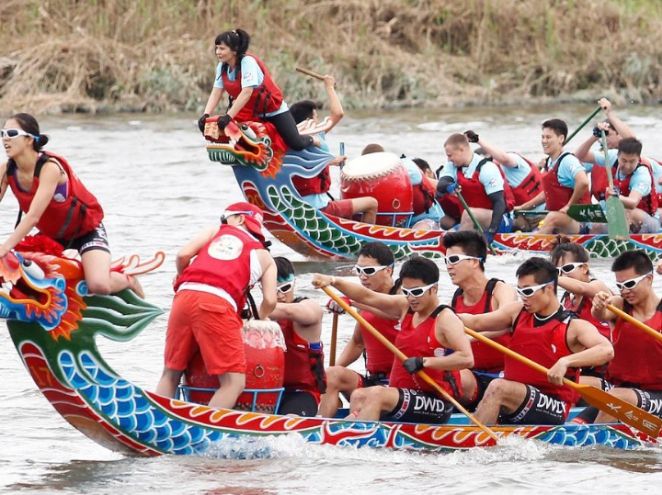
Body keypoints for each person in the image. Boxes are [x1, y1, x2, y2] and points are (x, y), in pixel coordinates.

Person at [312, 257, 474, 424]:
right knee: (358, 395)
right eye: (406, 292)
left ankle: (357, 436)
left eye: (417, 292)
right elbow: (368, 297)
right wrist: (332, 281)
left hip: (437, 401)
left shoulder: (446, 319)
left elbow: (466, 358)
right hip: (402, 394)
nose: (411, 298)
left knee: (376, 394)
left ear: (434, 289)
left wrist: (424, 362)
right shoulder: (406, 308)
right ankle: (332, 429)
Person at [0, 113, 142, 296]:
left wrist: (5, 247)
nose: (5, 139)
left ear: (29, 139)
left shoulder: (49, 168)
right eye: (2, 133)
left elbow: (33, 217)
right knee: (18, 274)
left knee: (99, 286)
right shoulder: (6, 170)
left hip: (85, 231)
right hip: (52, 235)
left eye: (11, 133)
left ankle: (128, 280)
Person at [459, 257, 613, 425]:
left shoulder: (574, 326)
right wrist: (440, 314)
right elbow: (476, 322)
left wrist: (566, 362)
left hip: (552, 405)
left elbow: (606, 350)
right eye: (520, 291)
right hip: (517, 398)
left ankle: (472, 446)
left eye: (527, 291)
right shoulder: (517, 312)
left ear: (548, 289)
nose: (523, 298)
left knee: (498, 387)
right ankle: (476, 434)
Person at [155, 202, 277, 409]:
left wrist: (182, 275)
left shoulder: (215, 231)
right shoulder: (265, 256)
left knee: (171, 372)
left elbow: (182, 255)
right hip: (219, 304)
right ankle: (201, 429)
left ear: (238, 219)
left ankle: (157, 420)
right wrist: (257, 320)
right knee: (233, 383)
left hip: (184, 297)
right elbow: (271, 301)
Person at [198, 29, 318, 151]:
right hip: (250, 112)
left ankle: (313, 140)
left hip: (274, 110)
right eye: (217, 48)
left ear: (234, 50)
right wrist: (206, 114)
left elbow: (246, 92)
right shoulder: (222, 66)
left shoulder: (247, 62)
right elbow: (217, 91)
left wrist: (228, 116)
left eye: (222, 49)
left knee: (296, 143)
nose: (218, 52)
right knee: (238, 140)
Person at [318, 242, 400, 418]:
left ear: (389, 270)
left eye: (369, 271)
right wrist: (327, 379)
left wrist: (351, 301)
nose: (363, 277)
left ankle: (350, 423)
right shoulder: (364, 299)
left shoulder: (403, 293)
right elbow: (357, 343)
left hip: (400, 385)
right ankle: (319, 424)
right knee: (331, 375)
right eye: (359, 270)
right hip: (374, 380)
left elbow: (392, 313)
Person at [288, 76, 377, 224]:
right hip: (319, 207)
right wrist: (329, 86)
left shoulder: (291, 137)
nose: (318, 120)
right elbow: (338, 114)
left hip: (300, 205)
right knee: (371, 203)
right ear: (310, 119)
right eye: (316, 116)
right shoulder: (312, 133)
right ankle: (370, 245)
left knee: (343, 204)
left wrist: (332, 162)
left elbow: (306, 161)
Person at [443, 231, 517, 406]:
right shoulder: (456, 298)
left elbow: (507, 322)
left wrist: (468, 337)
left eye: (453, 260)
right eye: (446, 261)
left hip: (504, 377)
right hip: (473, 377)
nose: (448, 267)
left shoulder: (500, 290)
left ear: (474, 261)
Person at [587, 251, 662, 422]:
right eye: (620, 286)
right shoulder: (620, 306)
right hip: (621, 392)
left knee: (616, 397)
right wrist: (599, 304)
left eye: (629, 284)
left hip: (657, 395)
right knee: (578, 424)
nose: (624, 291)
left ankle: (594, 446)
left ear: (649, 279)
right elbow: (601, 313)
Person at [268, 257, 325, 416]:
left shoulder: (309, 307)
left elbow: (288, 311)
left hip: (301, 393)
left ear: (294, 284)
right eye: (273, 289)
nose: (280, 295)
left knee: (287, 426)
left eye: (285, 288)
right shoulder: (261, 318)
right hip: (267, 390)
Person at [436, 133, 515, 244]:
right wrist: (449, 186)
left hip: (499, 220)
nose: (449, 159)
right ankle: (457, 239)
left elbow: (499, 203)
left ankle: (458, 246)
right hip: (474, 218)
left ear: (461, 149)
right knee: (444, 221)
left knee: (469, 215)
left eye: (450, 155)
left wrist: (491, 232)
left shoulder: (487, 168)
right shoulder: (452, 166)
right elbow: (441, 184)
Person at [463, 130, 546, 232]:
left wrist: (477, 139)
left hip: (541, 216)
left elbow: (504, 159)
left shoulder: (512, 161)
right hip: (521, 218)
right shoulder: (488, 176)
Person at [534, 119, 591, 234]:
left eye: (548, 137)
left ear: (561, 139)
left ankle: (528, 249)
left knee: (552, 217)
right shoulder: (549, 161)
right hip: (561, 220)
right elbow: (547, 193)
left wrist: (569, 206)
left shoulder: (568, 161)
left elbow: (583, 182)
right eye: (542, 137)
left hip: (580, 221)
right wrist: (523, 207)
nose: (544, 141)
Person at [596, 138, 659, 233]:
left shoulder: (642, 174)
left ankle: (621, 244)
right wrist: (594, 136)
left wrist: (615, 196)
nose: (628, 166)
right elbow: (582, 156)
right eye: (624, 161)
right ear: (618, 156)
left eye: (632, 161)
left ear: (638, 159)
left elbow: (632, 203)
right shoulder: (612, 157)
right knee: (595, 217)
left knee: (626, 211)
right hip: (625, 219)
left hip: (648, 222)